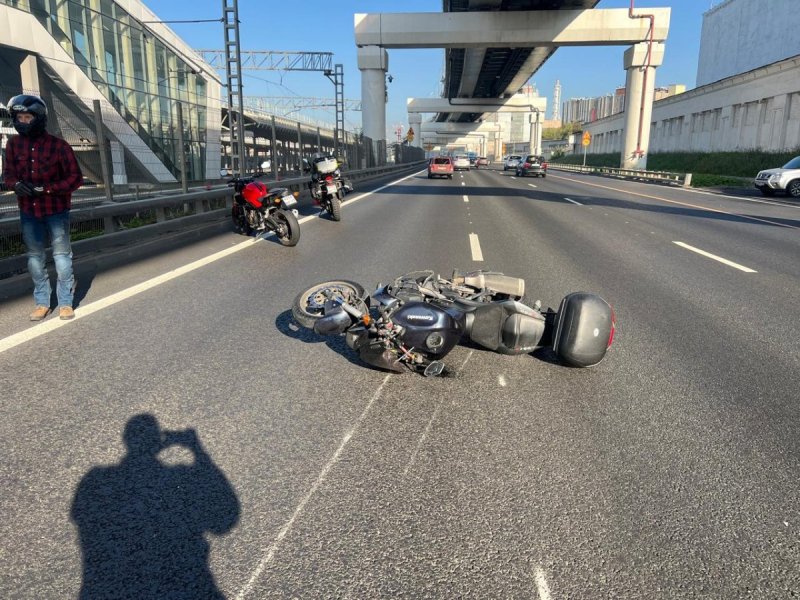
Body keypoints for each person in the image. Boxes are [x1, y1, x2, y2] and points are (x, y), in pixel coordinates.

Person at [3, 94, 83, 321]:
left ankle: (65, 302)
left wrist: (47, 189)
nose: (23, 122)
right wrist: (15, 185)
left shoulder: (59, 146)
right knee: (34, 258)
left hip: (56, 210)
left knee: (62, 257)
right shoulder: (13, 144)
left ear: (38, 118)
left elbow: (75, 178)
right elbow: (8, 175)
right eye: (19, 118)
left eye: (27, 117)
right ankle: (42, 302)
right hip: (29, 211)